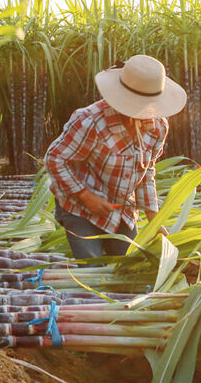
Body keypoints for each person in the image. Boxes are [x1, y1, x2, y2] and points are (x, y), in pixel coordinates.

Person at [44, 54, 187, 259]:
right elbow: (54, 158)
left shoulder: (157, 127)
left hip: (122, 213)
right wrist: (85, 196)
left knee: (125, 267)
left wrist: (155, 221)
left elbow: (146, 172)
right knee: (92, 268)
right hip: (80, 208)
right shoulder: (90, 121)